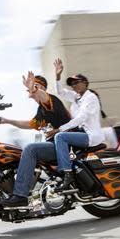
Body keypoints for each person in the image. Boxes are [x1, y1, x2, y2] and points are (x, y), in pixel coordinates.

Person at [0, 72, 71, 208]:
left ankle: (20, 195)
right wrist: (8, 121)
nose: (29, 89)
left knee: (30, 149)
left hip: (65, 145)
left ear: (41, 88)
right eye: (30, 87)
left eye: (35, 85)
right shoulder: (41, 110)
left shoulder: (50, 101)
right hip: (56, 145)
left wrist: (34, 89)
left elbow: (44, 96)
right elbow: (30, 124)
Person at [45, 58, 105, 191]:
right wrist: (57, 76)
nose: (74, 86)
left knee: (60, 137)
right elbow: (61, 92)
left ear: (85, 83)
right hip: (82, 133)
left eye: (77, 82)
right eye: (72, 84)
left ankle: (67, 175)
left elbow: (81, 118)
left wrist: (59, 129)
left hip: (91, 136)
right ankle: (70, 172)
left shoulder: (90, 98)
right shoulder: (77, 97)